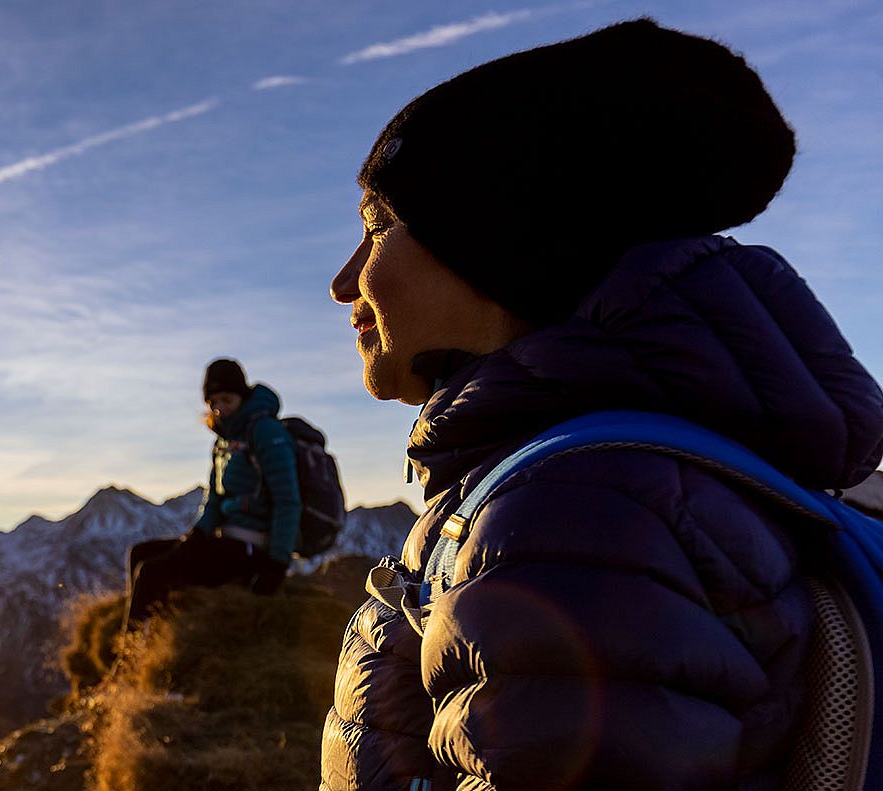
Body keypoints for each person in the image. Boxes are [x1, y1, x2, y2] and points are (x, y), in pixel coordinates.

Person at [318, 19, 883, 789]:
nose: (344, 280)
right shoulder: (619, 482)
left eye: (377, 226)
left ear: (494, 238)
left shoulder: (571, 520)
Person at [123, 358, 300, 630]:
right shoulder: (223, 441)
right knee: (140, 553)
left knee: (152, 571)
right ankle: (149, 634)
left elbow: (287, 500)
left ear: (243, 396)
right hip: (225, 541)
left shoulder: (266, 432)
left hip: (254, 549)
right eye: (213, 402)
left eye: (227, 400)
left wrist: (276, 563)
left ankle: (128, 658)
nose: (220, 409)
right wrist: (199, 533)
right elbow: (215, 498)